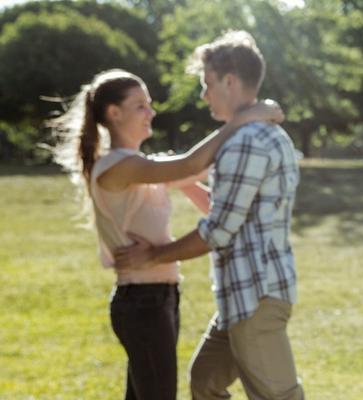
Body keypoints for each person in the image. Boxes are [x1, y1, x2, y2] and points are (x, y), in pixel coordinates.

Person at [50, 68, 283, 400]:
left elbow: (197, 173)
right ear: (114, 114)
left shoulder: (141, 167)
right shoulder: (118, 167)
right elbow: (190, 164)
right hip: (142, 302)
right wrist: (245, 119)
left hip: (159, 299)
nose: (152, 112)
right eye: (140, 105)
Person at [114, 31, 304, 400]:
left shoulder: (246, 143)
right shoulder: (262, 134)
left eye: (207, 84)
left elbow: (217, 231)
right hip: (242, 297)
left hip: (256, 297)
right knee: (205, 381)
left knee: (278, 396)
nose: (204, 95)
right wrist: (184, 184)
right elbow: (231, 210)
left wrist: (153, 254)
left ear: (229, 81)